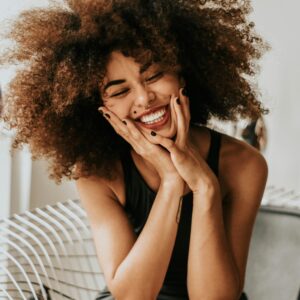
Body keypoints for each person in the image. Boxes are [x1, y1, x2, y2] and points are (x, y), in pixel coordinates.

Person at [0, 0, 269, 299]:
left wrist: (205, 187)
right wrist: (171, 180)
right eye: (120, 91)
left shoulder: (244, 164)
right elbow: (131, 297)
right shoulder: (98, 174)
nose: (144, 98)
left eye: (153, 76)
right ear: (101, 109)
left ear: (181, 73)